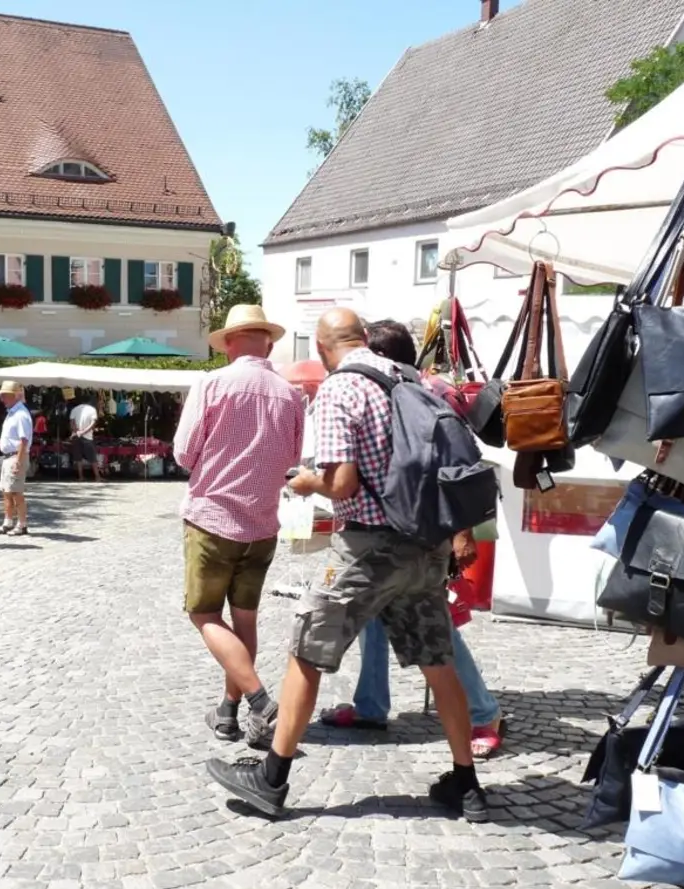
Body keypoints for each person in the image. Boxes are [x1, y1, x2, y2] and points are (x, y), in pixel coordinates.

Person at [205, 307, 490, 821]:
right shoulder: (408, 377)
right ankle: (466, 784)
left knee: (306, 651)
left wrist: (305, 481)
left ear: (321, 348)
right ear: (363, 337)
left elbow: (341, 484)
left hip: (368, 547)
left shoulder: (341, 388)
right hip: (425, 543)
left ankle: (271, 778)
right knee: (437, 661)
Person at [315, 320, 506, 758]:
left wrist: (461, 534)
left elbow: (454, 466)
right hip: (383, 530)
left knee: (438, 631)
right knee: (374, 623)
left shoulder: (422, 391)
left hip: (420, 532)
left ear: (382, 356)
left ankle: (483, 712)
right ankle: (371, 705)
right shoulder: (389, 389)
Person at [174, 304, 303, 747]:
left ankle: (259, 701)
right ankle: (227, 714)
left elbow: (184, 454)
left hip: (212, 519)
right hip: (262, 523)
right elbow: (293, 458)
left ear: (229, 342)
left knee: (205, 614)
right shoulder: (291, 395)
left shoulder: (212, 384)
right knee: (244, 620)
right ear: (267, 343)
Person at [0, 380, 32, 536]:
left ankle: (22, 524)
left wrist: (18, 460)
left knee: (16, 492)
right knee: (7, 491)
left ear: (15, 395)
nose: (2, 398)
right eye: (2, 395)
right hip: (9, 457)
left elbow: (24, 440)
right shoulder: (13, 412)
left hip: (15, 456)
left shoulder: (21, 414)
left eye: (5, 395)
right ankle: (8, 522)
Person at [68, 398, 101, 482]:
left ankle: (81, 477)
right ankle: (97, 477)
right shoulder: (92, 410)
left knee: (78, 458)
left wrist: (77, 431)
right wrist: (84, 432)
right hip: (88, 437)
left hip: (76, 436)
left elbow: (72, 423)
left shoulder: (75, 409)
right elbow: (93, 424)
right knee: (93, 458)